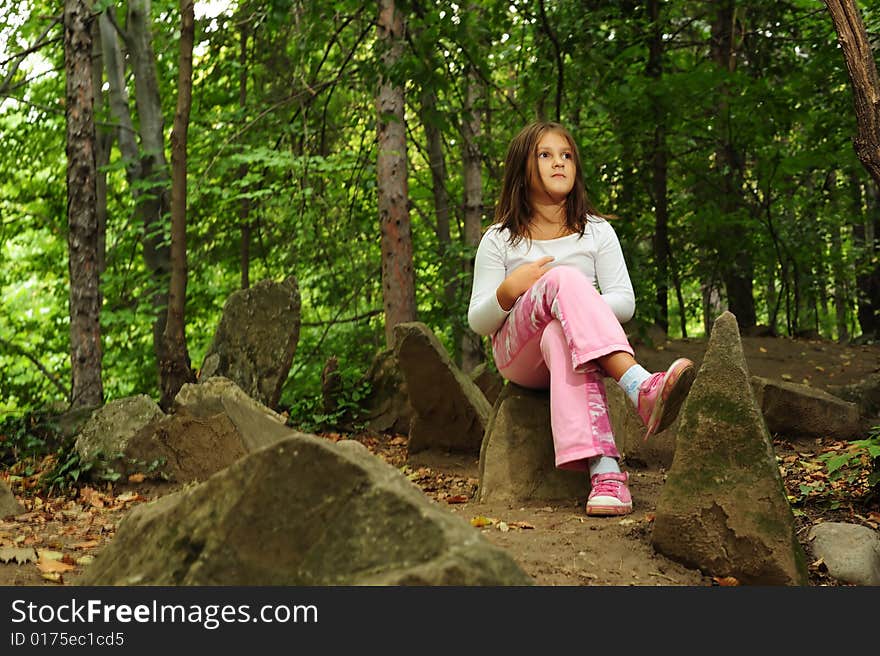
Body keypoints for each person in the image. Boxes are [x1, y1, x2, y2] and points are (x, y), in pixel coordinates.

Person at [467, 121, 695, 517]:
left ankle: (606, 474)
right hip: (517, 355)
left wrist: (571, 309)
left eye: (567, 155)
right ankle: (639, 384)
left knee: (559, 331)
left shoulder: (597, 232)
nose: (559, 163)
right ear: (522, 168)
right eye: (546, 155)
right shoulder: (500, 239)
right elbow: (479, 322)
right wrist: (510, 289)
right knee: (563, 278)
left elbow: (625, 302)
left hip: (569, 349)